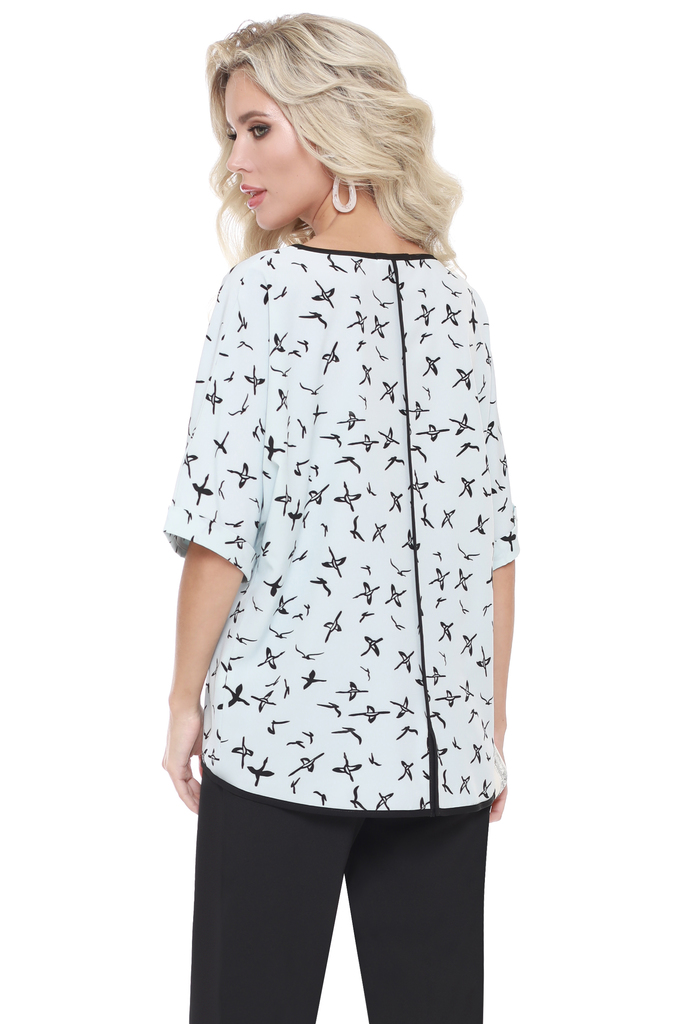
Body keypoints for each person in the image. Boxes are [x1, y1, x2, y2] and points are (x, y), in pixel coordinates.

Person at [161, 13, 520, 1024]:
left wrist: (183, 702)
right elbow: (492, 542)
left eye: (258, 129)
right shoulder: (457, 304)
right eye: (231, 134)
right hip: (443, 755)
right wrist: (487, 724)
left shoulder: (262, 293)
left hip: (285, 742)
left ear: (333, 124)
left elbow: (220, 528)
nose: (236, 163)